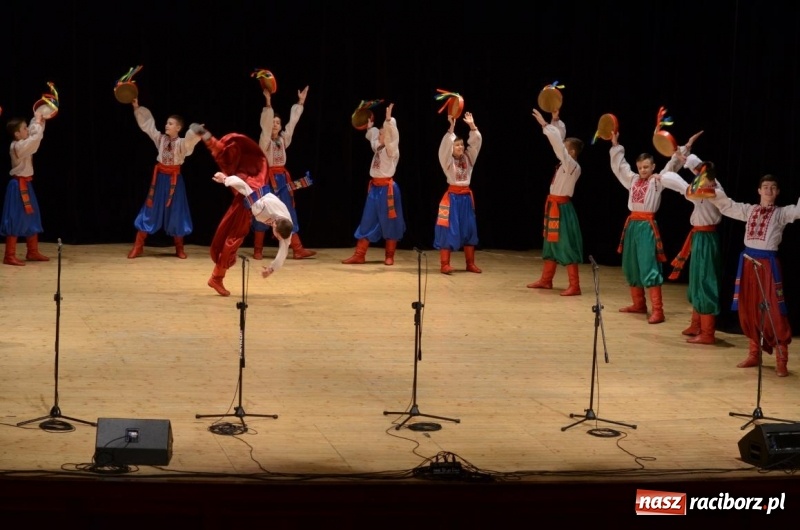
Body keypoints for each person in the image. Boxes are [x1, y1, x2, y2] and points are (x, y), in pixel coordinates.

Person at [709, 175, 800, 377]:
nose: (768, 190)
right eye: (765, 187)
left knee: (774, 312)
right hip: (748, 262)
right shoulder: (749, 211)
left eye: (773, 187)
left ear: (777, 192)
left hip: (768, 265)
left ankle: (781, 359)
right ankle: (754, 353)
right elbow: (726, 205)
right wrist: (711, 185)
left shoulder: (781, 213)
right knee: (749, 308)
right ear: (759, 190)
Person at [609, 131, 688, 324]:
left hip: (646, 227)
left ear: (653, 166)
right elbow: (620, 167)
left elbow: (672, 167)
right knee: (631, 264)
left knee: (648, 264)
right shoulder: (633, 180)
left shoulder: (657, 181)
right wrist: (615, 146)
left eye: (646, 167)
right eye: (640, 167)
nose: (643, 170)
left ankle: (658, 311)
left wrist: (684, 148)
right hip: (632, 225)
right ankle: (638, 304)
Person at [191, 123, 269, 296]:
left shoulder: (239, 160)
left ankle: (217, 276)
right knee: (233, 239)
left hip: (245, 202)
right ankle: (216, 277)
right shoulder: (241, 163)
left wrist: (204, 134)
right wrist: (226, 178)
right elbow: (219, 150)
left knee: (233, 238)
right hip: (245, 204)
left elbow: (217, 148)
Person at [126, 98, 201, 259]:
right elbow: (148, 126)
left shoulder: (181, 144)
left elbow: (190, 142)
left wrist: (195, 132)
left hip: (175, 182)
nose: (167, 125)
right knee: (150, 209)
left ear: (178, 127)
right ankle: (138, 246)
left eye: (171, 123)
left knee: (177, 212)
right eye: (167, 123)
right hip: (159, 180)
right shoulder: (160, 139)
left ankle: (179, 248)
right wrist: (137, 108)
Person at [667, 148, 723, 344]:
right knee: (696, 279)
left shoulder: (713, 191)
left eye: (702, 174)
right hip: (699, 236)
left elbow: (682, 186)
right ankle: (696, 323)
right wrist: (684, 157)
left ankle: (708, 333)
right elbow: (692, 174)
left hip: (707, 238)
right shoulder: (701, 186)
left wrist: (665, 175)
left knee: (705, 279)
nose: (698, 177)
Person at [254, 85, 315, 260]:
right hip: (267, 180)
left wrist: (300, 103)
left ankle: (297, 249)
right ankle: (258, 249)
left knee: (288, 212)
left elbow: (292, 124)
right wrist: (268, 103)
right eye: (272, 121)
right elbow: (265, 127)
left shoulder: (282, 139)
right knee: (264, 211)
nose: (274, 124)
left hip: (282, 180)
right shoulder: (264, 142)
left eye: (277, 122)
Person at [527, 108, 583, 295]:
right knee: (550, 243)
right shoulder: (565, 163)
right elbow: (559, 143)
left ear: (572, 152)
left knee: (566, 245)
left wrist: (545, 124)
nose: (560, 150)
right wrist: (556, 120)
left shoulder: (572, 165)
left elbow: (559, 146)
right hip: (553, 206)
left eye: (565, 148)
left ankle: (575, 285)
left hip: (563, 209)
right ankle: (546, 280)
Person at [342, 103, 405, 265]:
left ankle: (389, 255)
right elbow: (372, 135)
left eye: (382, 132)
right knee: (367, 219)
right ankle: (359, 254)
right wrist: (369, 125)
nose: (380, 133)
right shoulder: (377, 146)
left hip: (388, 190)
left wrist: (389, 120)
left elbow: (393, 135)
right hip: (375, 189)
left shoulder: (392, 151)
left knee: (391, 221)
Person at [212, 171, 293, 278]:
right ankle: (217, 275)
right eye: (277, 236)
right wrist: (225, 179)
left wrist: (271, 269)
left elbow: (283, 249)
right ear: (274, 226)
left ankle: (217, 276)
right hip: (253, 192)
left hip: (258, 201)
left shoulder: (286, 227)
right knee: (234, 235)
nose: (277, 238)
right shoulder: (262, 207)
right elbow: (245, 188)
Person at [434, 111, 482, 274]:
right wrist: (451, 129)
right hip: (452, 199)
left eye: (461, 144)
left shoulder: (469, 158)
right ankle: (444, 264)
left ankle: (470, 263)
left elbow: (476, 143)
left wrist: (472, 126)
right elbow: (443, 149)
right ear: (452, 148)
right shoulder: (447, 161)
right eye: (457, 145)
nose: (461, 147)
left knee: (469, 229)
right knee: (449, 229)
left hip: (466, 199)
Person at [2, 113, 50, 266]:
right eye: (24, 128)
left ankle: (32, 251)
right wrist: (37, 123)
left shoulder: (24, 142)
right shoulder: (18, 146)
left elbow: (35, 136)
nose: (27, 130)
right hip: (17, 187)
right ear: (17, 134)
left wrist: (39, 121)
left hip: (26, 184)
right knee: (15, 219)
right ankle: (9, 255)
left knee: (32, 216)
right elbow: (35, 139)